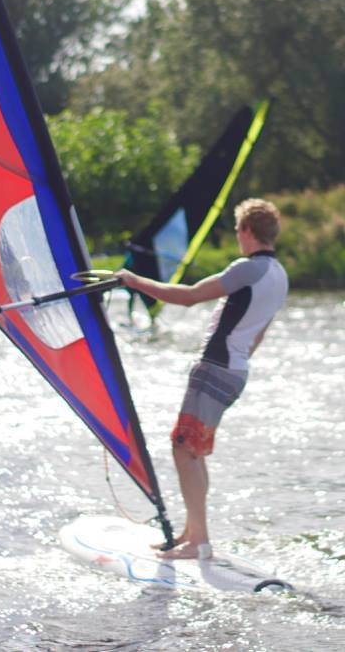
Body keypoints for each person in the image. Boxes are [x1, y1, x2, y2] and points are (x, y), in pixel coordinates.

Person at [115, 199, 288, 560]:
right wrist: (234, 365)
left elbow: (190, 297)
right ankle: (193, 532)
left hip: (215, 367)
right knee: (193, 450)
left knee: (183, 447)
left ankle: (199, 542)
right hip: (236, 371)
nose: (237, 235)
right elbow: (258, 334)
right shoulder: (280, 276)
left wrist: (134, 281)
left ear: (247, 230)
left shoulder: (248, 269)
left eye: (238, 229)